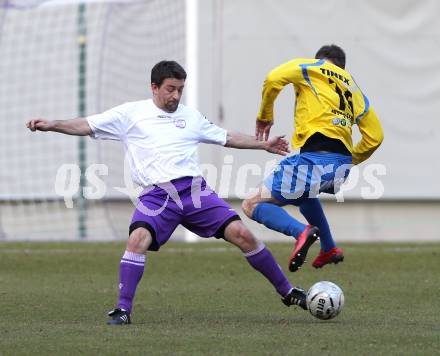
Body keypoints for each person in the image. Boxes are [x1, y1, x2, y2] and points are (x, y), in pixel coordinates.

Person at [27, 60, 308, 325]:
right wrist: (53, 125)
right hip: (157, 196)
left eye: (180, 89)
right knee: (137, 239)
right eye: (170, 89)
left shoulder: (190, 116)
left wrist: (264, 145)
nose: (176, 96)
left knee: (243, 235)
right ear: (154, 87)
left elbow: (226, 137)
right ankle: (123, 309)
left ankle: (287, 292)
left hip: (194, 190)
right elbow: (86, 124)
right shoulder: (130, 114)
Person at [242, 45, 384, 272]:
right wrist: (349, 161)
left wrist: (265, 116)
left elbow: (273, 78)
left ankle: (301, 232)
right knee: (303, 194)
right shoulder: (353, 87)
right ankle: (328, 248)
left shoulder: (311, 67)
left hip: (315, 158)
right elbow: (375, 136)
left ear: (321, 60)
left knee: (251, 204)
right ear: (342, 67)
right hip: (340, 167)